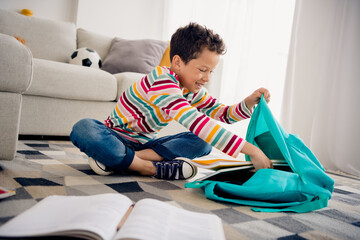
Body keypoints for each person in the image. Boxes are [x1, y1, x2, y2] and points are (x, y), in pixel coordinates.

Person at [70, 22, 272, 180]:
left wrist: (247, 103)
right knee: (84, 128)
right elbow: (194, 120)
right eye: (202, 70)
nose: (207, 78)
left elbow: (223, 115)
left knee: (202, 142)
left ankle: (122, 160)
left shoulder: (193, 90)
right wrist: (251, 150)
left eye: (211, 71)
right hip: (115, 136)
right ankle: (149, 168)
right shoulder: (162, 80)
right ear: (177, 62)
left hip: (144, 146)